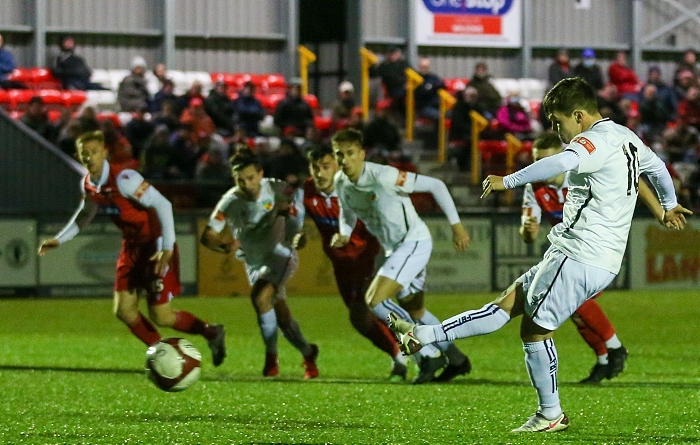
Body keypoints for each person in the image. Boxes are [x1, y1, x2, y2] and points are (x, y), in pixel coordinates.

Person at [389, 77, 692, 432]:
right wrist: (668, 205)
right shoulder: (625, 136)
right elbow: (655, 169)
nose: (555, 128)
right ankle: (423, 336)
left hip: (581, 253)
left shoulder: (590, 141)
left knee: (534, 332)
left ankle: (550, 414)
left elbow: (556, 164)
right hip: (584, 254)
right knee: (505, 305)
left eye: (557, 121)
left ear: (578, 115)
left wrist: (509, 179)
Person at [37, 130, 226, 365]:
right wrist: (60, 238)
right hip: (131, 248)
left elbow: (163, 204)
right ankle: (165, 357)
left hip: (154, 245)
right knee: (124, 311)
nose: (89, 158)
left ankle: (212, 332)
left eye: (94, 152)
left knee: (162, 316)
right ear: (78, 157)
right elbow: (85, 214)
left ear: (105, 152)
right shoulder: (88, 183)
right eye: (84, 154)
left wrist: (166, 247)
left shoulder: (125, 179)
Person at [520, 131, 670, 384]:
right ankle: (604, 359)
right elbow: (527, 233)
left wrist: (660, 210)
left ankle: (614, 348)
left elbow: (634, 179)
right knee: (574, 308)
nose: (540, 168)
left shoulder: (581, 172)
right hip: (573, 250)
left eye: (546, 161)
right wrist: (527, 231)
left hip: (602, 246)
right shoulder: (533, 187)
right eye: (536, 161)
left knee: (575, 302)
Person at [331, 128, 472, 384]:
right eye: (339, 154)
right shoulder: (341, 181)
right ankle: (456, 357)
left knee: (375, 300)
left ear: (362, 154)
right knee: (415, 311)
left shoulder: (385, 176)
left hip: (413, 243)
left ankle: (427, 355)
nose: (344, 160)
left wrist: (456, 225)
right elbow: (347, 211)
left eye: (350, 153)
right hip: (393, 250)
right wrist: (344, 232)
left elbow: (436, 185)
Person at [200, 149, 319, 379]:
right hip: (254, 262)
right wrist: (224, 245)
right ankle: (308, 351)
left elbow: (300, 199)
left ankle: (271, 358)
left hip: (281, 254)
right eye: (240, 180)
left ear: (261, 174)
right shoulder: (230, 201)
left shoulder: (276, 188)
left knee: (260, 297)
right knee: (282, 316)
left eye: (251, 178)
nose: (247, 184)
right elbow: (208, 236)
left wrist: (297, 230)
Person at [299, 145, 408, 381]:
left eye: (326, 167)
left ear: (338, 167)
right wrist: (296, 234)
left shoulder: (354, 188)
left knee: (362, 315)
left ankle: (403, 355)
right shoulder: (308, 189)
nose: (320, 173)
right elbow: (294, 214)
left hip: (367, 258)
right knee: (366, 318)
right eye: (315, 167)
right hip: (342, 265)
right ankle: (420, 349)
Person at [414, 57, 445, 121]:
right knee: (439, 116)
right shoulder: (416, 78)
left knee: (454, 114)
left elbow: (442, 85)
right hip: (423, 107)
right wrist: (432, 87)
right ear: (419, 66)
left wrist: (430, 87)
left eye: (426, 66)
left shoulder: (433, 77)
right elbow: (421, 92)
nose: (424, 68)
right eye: (423, 66)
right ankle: (437, 131)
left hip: (436, 105)